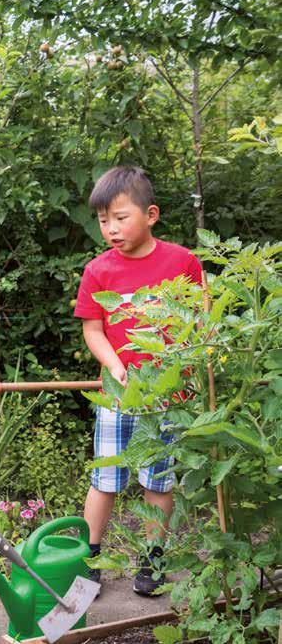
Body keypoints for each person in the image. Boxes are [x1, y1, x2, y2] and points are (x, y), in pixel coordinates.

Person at [73, 166, 202, 596]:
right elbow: (93, 329)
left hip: (169, 396)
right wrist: (113, 366)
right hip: (117, 396)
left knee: (158, 481)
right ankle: (89, 557)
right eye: (103, 220)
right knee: (106, 479)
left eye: (120, 217)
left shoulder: (183, 262)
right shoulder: (98, 271)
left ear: (151, 214)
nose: (110, 228)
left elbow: (198, 323)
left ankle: (152, 560)